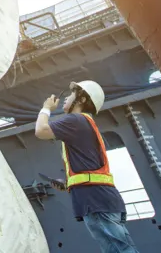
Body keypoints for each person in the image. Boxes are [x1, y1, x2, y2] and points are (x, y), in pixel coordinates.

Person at [34, 80, 139, 253]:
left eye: (71, 94)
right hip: (103, 198)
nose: (66, 98)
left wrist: (46, 108)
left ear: (82, 99)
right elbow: (90, 166)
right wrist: (70, 183)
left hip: (95, 200)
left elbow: (41, 130)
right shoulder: (86, 124)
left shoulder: (76, 120)